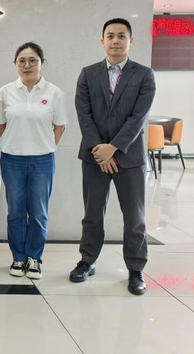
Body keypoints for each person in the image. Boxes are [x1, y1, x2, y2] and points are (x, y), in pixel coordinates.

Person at [70, 18, 156, 295]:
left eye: (121, 36)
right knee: (92, 214)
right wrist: (100, 149)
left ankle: (136, 268)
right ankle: (88, 260)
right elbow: (84, 114)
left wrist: (114, 147)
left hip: (129, 157)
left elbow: (138, 117)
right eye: (110, 36)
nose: (115, 40)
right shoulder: (88, 74)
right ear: (102, 41)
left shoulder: (144, 75)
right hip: (95, 157)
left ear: (131, 41)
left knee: (134, 217)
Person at [0, 42, 67, 280]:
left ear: (42, 64)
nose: (27, 65)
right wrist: (15, 143)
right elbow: (1, 125)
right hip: (12, 160)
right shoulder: (5, 92)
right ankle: (18, 257)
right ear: (15, 64)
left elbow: (60, 126)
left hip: (42, 161)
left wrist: (45, 145)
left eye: (33, 60)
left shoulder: (54, 93)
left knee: (38, 212)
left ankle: (34, 258)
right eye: (22, 61)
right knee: (15, 211)